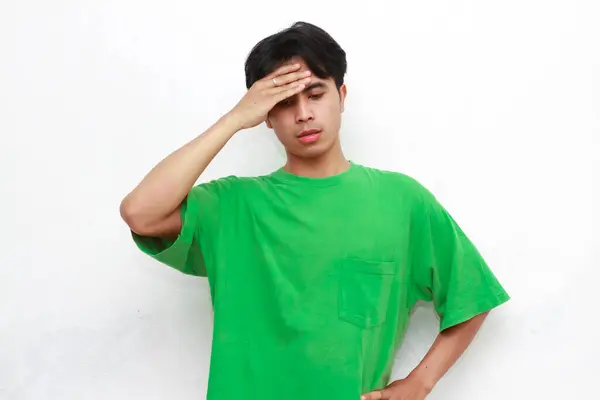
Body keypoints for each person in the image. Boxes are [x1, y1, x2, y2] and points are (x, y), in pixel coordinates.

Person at [120, 21, 510, 400]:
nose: (303, 113)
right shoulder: (232, 207)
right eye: (284, 102)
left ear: (342, 96)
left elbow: (472, 298)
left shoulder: (401, 200)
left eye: (315, 94)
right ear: (267, 117)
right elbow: (141, 213)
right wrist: (235, 119)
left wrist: (419, 385)